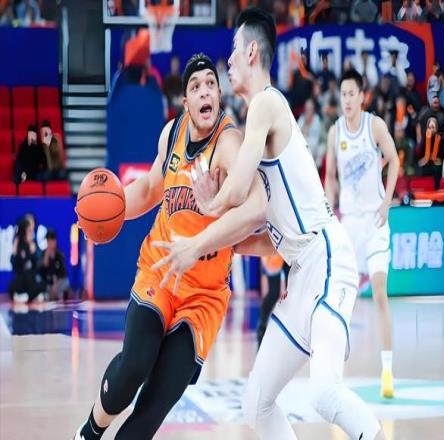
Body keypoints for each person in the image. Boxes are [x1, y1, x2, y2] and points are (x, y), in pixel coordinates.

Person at [159, 8, 383, 440]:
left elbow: (237, 189)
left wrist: (208, 207)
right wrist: (227, 241)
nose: (228, 61)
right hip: (301, 270)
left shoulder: (266, 103)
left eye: (233, 50)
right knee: (257, 401)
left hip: (327, 258)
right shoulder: (257, 120)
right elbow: (268, 238)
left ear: (251, 52)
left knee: (324, 393)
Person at [74, 53, 267, 440]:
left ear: (219, 95)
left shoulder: (229, 144)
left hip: (203, 296)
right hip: (159, 272)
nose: (205, 91)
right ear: (185, 101)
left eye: (211, 84)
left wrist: (212, 230)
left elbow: (256, 208)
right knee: (134, 366)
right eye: (196, 86)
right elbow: (148, 189)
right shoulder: (172, 134)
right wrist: (107, 215)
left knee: (156, 401)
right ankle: (90, 431)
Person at [325, 69, 399, 399]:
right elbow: (330, 176)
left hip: (375, 222)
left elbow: (394, 160)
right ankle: (335, 375)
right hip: (349, 225)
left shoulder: (375, 126)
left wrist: (386, 202)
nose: (347, 99)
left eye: (351, 93)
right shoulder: (335, 132)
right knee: (342, 300)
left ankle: (387, 372)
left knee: (380, 292)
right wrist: (328, 208)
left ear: (362, 97)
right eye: (343, 94)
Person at [39, 229, 70, 301]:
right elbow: (42, 270)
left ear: (55, 241)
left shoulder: (59, 254)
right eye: (48, 241)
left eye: (51, 241)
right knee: (43, 288)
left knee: (65, 283)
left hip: (59, 283)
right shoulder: (44, 253)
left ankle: (60, 297)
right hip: (48, 283)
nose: (50, 243)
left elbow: (63, 274)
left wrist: (55, 285)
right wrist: (46, 256)